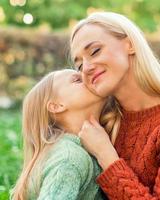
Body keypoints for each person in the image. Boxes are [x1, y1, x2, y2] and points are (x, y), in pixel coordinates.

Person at [70, 12, 160, 199]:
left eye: (95, 51)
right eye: (79, 66)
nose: (87, 67)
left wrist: (107, 156)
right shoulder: (100, 127)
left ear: (130, 44)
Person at [11, 69, 120, 200]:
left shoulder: (70, 151)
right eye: (77, 80)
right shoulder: (70, 158)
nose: (88, 78)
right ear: (56, 106)